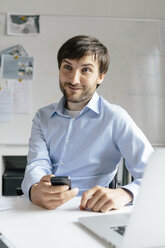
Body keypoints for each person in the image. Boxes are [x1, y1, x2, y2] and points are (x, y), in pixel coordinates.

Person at [21, 35, 153, 212]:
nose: (74, 79)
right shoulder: (42, 116)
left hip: (90, 212)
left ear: (100, 76)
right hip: (43, 211)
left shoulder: (115, 117)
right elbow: (37, 164)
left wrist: (125, 193)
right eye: (68, 67)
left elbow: (155, 175)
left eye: (85, 70)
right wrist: (34, 189)